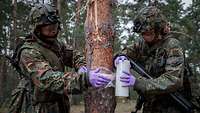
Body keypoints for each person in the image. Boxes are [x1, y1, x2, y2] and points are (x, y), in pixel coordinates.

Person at [8, 3, 112, 113]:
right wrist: (84, 79)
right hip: (38, 107)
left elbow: (74, 55)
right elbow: (47, 79)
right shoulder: (28, 52)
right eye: (48, 28)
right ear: (37, 29)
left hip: (59, 104)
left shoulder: (56, 44)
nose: (53, 31)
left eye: (55, 27)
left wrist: (81, 66)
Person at [114, 6, 192, 113]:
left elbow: (172, 80)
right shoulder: (143, 43)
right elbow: (125, 52)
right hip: (151, 105)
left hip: (172, 106)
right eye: (142, 33)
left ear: (157, 30)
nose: (144, 36)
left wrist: (137, 83)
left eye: (147, 33)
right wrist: (120, 57)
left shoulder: (172, 46)